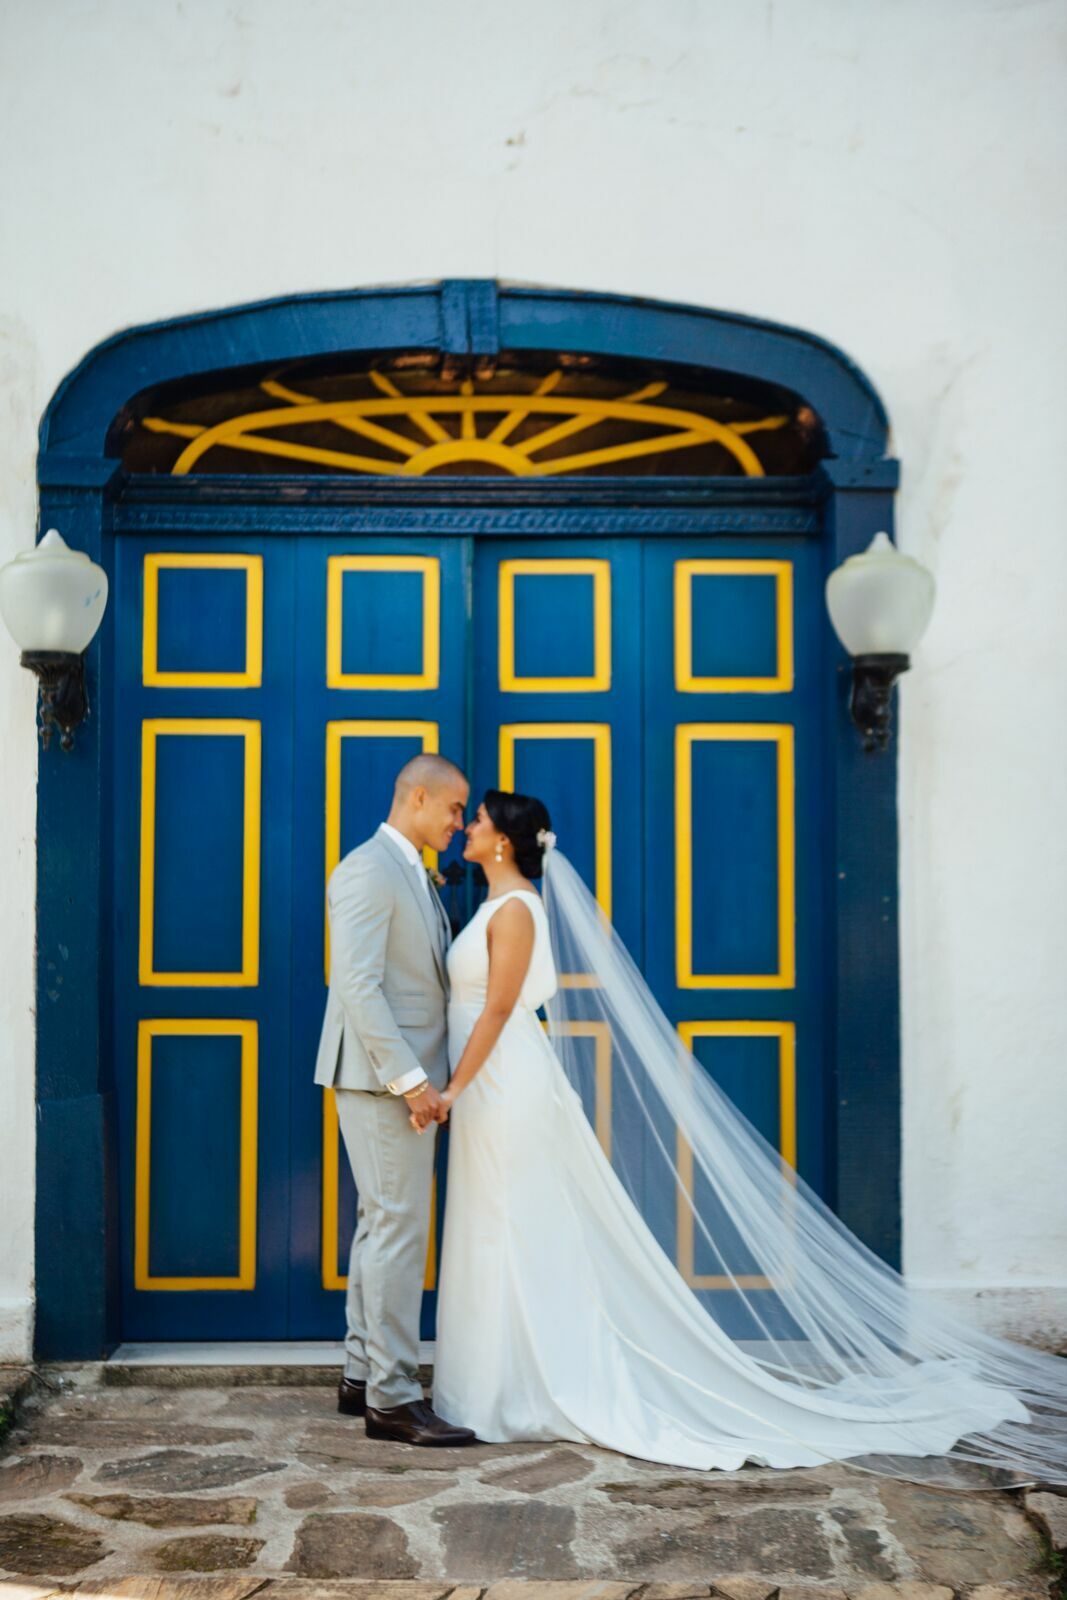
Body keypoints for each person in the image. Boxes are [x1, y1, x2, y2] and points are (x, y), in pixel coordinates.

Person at [415, 788, 1067, 1490]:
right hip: (487, 1085)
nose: (466, 827)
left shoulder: (517, 909)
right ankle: (490, 1383)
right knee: (491, 1221)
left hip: (502, 1084)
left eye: (476, 820)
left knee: (510, 1222)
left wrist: (451, 1089)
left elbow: (500, 1008)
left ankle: (520, 1387)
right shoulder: (494, 904)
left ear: (503, 840)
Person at [314, 752, 476, 1447]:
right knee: (398, 1229)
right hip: (383, 1082)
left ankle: (362, 1375)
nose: (459, 822)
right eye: (453, 808)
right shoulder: (367, 870)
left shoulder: (410, 870)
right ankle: (393, 1399)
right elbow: (356, 985)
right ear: (416, 797)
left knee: (380, 1223)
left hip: (395, 1079)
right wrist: (411, 1082)